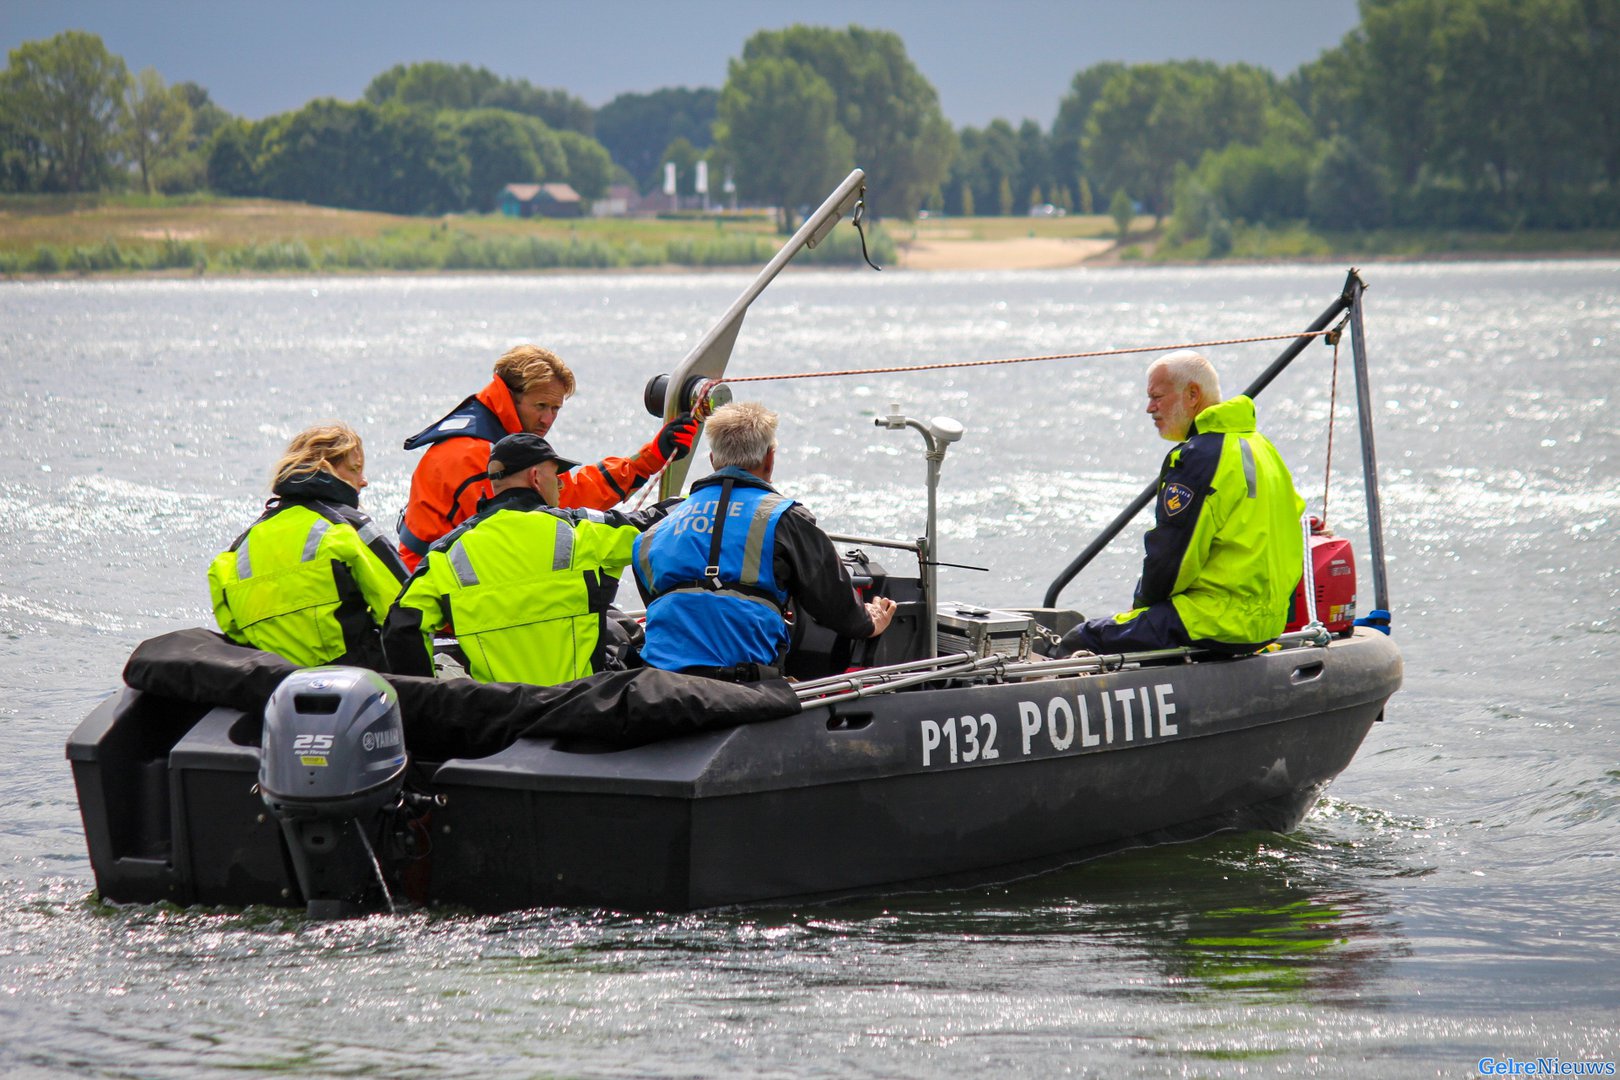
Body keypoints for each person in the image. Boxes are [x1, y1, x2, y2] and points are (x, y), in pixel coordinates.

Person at [1057, 350, 1305, 656]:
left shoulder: (1201, 456)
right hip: (1266, 622)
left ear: (1192, 394)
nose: (1150, 408)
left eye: (1157, 397)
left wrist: (1139, 613)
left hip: (1214, 620)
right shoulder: (1263, 448)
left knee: (1081, 639)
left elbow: (1172, 558)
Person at [384, 433, 676, 685]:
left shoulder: (446, 552)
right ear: (536, 478)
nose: (560, 485)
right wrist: (703, 495)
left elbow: (401, 627)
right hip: (581, 708)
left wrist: (427, 701)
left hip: (503, 719)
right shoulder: (580, 531)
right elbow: (649, 529)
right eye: (555, 475)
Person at [632, 401, 897, 680]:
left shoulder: (659, 525)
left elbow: (655, 599)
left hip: (659, 682)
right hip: (742, 684)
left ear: (713, 460)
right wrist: (869, 622)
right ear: (770, 459)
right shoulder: (785, 519)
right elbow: (832, 601)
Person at [395, 343, 700, 572]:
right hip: (439, 595)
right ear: (510, 396)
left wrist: (652, 457)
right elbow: (523, 531)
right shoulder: (474, 455)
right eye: (540, 406)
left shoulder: (503, 441)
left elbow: (570, 491)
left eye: (555, 409)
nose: (547, 420)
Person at [208, 422, 407, 669]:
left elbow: (233, 628)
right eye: (355, 469)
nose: (363, 481)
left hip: (272, 686)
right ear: (327, 469)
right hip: (351, 681)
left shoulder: (239, 548)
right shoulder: (348, 528)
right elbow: (404, 608)